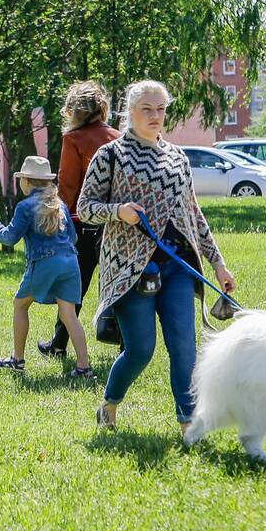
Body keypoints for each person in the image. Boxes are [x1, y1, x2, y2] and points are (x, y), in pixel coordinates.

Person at [77, 80, 235, 431]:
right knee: (140, 350)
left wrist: (218, 263)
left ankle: (188, 425)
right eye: (147, 109)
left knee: (184, 348)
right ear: (129, 112)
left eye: (161, 109)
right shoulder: (111, 156)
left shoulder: (178, 157)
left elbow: (193, 214)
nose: (155, 115)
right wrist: (119, 211)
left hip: (176, 264)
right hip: (130, 266)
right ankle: (109, 405)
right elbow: (84, 208)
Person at [0, 156, 94, 378]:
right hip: (71, 261)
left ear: (26, 181)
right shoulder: (60, 204)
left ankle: (17, 359)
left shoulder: (25, 206)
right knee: (69, 315)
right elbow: (72, 237)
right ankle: (84, 367)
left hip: (45, 261)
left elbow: (9, 238)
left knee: (20, 304)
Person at [37, 81, 120, 358]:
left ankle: (58, 343)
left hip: (83, 222)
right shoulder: (119, 137)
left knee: (75, 286)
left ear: (74, 110)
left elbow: (69, 184)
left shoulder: (73, 139)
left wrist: (58, 216)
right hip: (118, 219)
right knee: (118, 282)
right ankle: (127, 345)